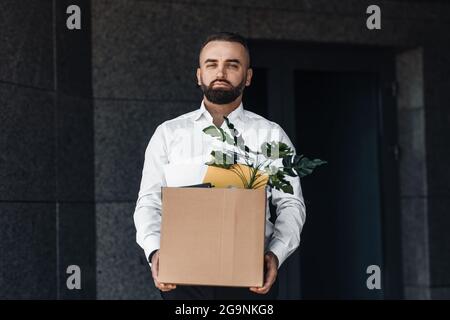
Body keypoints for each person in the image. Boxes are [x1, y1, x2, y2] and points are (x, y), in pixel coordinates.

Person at [133, 32, 306, 300]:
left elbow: (291, 204)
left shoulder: (271, 136)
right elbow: (149, 202)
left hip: (251, 277)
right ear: (199, 75)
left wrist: (275, 254)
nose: (221, 72)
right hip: (181, 276)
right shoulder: (168, 134)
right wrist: (155, 252)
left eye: (233, 64)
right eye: (212, 64)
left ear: (248, 77)